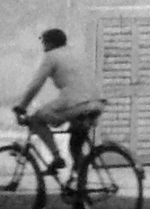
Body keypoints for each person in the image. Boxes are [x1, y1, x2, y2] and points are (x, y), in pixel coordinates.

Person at [14, 28, 102, 182]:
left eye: (44, 42)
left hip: (75, 102)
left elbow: (36, 85)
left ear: (51, 43)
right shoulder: (77, 53)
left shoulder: (51, 56)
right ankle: (79, 195)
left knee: (36, 119)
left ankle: (56, 157)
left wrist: (22, 106)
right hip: (96, 102)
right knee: (76, 147)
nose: (43, 47)